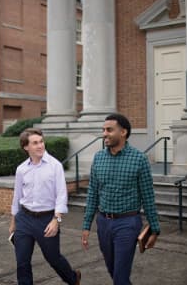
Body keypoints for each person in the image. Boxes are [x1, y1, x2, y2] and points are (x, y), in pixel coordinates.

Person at [81, 114, 160, 285]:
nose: (105, 134)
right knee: (113, 270)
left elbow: (148, 196)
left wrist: (155, 229)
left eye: (109, 130)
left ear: (123, 132)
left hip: (128, 223)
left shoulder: (139, 159)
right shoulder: (98, 158)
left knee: (120, 276)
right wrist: (87, 225)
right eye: (103, 130)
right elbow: (93, 192)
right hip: (103, 223)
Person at [9, 128, 81, 285]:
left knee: (53, 258)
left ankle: (73, 278)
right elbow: (17, 196)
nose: (40, 145)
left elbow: (61, 195)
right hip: (24, 219)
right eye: (35, 143)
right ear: (26, 147)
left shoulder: (55, 166)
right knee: (22, 262)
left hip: (47, 219)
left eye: (41, 141)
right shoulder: (21, 169)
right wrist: (14, 221)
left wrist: (56, 220)